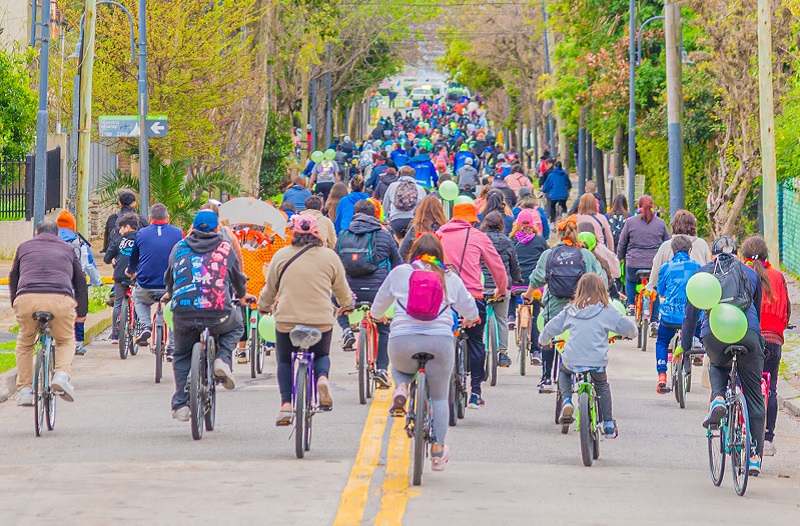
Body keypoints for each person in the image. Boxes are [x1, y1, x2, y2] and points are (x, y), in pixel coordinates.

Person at [371, 233, 480, 471]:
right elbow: (469, 308)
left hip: (403, 340)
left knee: (400, 367)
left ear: (413, 252)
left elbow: (377, 305)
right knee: (440, 397)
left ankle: (402, 388)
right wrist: (472, 318)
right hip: (439, 342)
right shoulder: (448, 277)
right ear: (440, 254)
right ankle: (438, 451)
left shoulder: (400, 272)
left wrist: (377, 316)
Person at [259, 214, 354, 425]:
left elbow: (269, 289)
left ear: (295, 232)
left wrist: (263, 308)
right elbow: (342, 290)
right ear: (317, 232)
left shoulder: (281, 255)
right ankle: (322, 378)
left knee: (284, 360)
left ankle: (285, 405)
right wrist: (347, 306)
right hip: (320, 319)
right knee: (321, 354)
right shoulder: (330, 257)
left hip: (287, 320)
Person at [682, 236, 765, 475]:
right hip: (747, 331)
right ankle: (753, 456)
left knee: (717, 364)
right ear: (736, 255)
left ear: (713, 256)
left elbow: (690, 316)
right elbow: (756, 310)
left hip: (714, 332)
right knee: (754, 397)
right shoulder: (750, 274)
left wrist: (686, 348)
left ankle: (718, 398)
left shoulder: (703, 274)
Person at [162, 210, 255, 421]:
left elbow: (170, 277)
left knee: (182, 353)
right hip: (218, 311)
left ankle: (181, 404)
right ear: (216, 229)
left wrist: (170, 293)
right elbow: (237, 278)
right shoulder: (225, 248)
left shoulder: (179, 247)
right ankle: (222, 359)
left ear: (193, 227)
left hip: (183, 311)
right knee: (237, 325)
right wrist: (241, 296)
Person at [539, 273, 637, 437]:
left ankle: (567, 401)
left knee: (564, 372)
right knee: (602, 386)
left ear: (579, 290)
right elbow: (630, 329)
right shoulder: (607, 311)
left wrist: (543, 340)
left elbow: (551, 327)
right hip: (596, 361)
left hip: (572, 359)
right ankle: (608, 424)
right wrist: (631, 333)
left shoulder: (571, 310)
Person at [9, 220, 88, 405]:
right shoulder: (68, 249)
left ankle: (25, 390)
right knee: (65, 340)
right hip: (60, 299)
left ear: (36, 233)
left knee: (25, 344)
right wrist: (82, 312)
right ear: (57, 235)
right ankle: (61, 375)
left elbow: (14, 277)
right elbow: (80, 281)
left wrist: (16, 303)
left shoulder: (24, 247)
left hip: (27, 298)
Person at [438, 203, 508, 408]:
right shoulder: (478, 237)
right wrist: (501, 290)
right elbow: (497, 267)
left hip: (444, 298)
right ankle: (476, 391)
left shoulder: (439, 234)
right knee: (477, 341)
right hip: (472, 296)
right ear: (472, 220)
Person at [524, 219, 606, 392]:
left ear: (559, 235)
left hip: (554, 308)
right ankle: (583, 375)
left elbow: (537, 278)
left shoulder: (549, 254)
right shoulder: (586, 256)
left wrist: (528, 295)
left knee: (548, 333)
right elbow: (598, 279)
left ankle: (546, 378)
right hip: (580, 309)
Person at [335, 200, 401, 383]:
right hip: (378, 292)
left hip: (351, 292)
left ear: (355, 214)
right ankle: (381, 369)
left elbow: (335, 265)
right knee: (383, 328)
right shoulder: (385, 235)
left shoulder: (343, 235)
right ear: (375, 214)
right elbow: (398, 265)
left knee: (338, 304)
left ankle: (347, 329)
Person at [741, 235, 790, 457]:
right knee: (770, 389)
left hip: (750, 338)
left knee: (745, 385)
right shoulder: (778, 277)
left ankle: (742, 429)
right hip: (774, 340)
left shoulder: (743, 275)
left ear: (744, 257)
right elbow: (786, 310)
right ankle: (768, 439)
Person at [126, 203, 184, 347]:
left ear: (150, 218)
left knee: (138, 299)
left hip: (146, 283)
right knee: (174, 307)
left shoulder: (141, 233)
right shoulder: (178, 233)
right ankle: (172, 341)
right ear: (168, 218)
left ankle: (146, 326)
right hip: (171, 285)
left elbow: (134, 257)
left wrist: (130, 271)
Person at [654, 236, 702, 393]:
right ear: (689, 250)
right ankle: (698, 351)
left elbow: (660, 290)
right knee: (702, 334)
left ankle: (662, 374)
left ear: (672, 250)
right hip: (692, 318)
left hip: (670, 316)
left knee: (662, 341)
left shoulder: (666, 267)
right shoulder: (696, 267)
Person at [616, 195, 669, 322]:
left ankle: (631, 304)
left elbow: (622, 243)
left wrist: (620, 257)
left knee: (631, 280)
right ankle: (655, 320)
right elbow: (667, 243)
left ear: (638, 207)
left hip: (633, 262)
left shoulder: (630, 222)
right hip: (654, 264)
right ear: (653, 207)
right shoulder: (660, 224)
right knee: (654, 287)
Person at [56, 210, 102, 356]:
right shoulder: (80, 243)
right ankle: (78, 343)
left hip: (55, 282)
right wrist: (97, 283)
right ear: (73, 226)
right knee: (80, 309)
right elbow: (90, 267)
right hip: (75, 281)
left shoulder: (52, 240)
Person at [480, 211, 522, 368]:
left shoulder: (479, 239)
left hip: (482, 286)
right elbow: (514, 265)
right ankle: (503, 353)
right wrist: (517, 278)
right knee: (502, 318)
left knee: (479, 319)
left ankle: (478, 350)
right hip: (501, 285)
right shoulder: (507, 241)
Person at [508, 209, 549, 364]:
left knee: (511, 290)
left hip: (516, 284)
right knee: (536, 313)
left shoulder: (511, 240)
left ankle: (511, 315)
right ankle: (536, 352)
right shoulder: (540, 241)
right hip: (534, 286)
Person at [647, 209, 712, 291]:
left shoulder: (666, 245)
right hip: (697, 292)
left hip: (672, 291)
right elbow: (709, 267)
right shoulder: (702, 244)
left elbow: (656, 268)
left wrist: (651, 285)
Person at [104, 213, 140, 345]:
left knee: (118, 303)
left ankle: (115, 334)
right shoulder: (141, 239)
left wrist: (114, 259)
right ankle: (138, 330)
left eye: (121, 228)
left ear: (128, 227)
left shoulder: (120, 240)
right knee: (138, 302)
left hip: (119, 275)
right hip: (136, 275)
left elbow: (106, 258)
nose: (120, 231)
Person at [383, 166, 427, 240]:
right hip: (413, 222)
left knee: (396, 245)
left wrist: (385, 220)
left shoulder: (392, 186)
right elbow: (424, 209)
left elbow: (385, 206)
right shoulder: (420, 188)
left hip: (396, 221)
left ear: (400, 175)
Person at [399, 194, 448, 261]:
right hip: (439, 266)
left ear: (421, 209)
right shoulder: (444, 228)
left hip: (417, 266)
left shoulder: (416, 227)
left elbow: (402, 252)